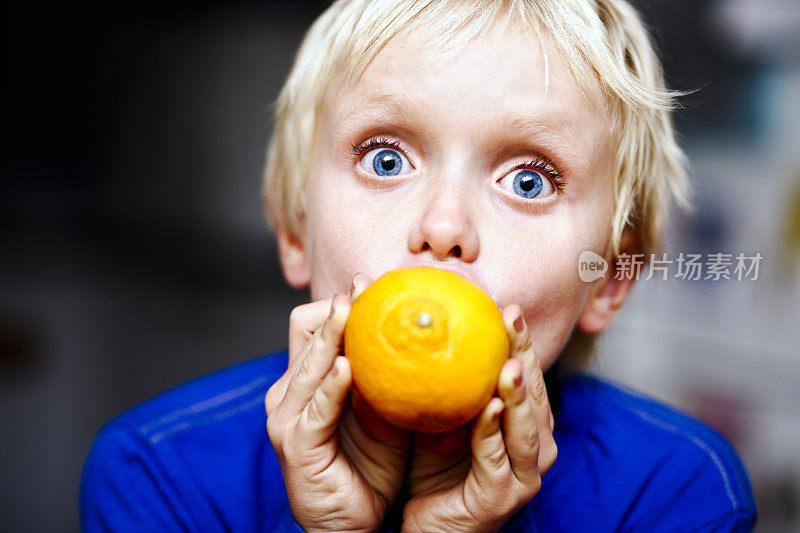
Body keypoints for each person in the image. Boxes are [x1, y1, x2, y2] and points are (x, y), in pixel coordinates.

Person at [80, 0, 757, 531]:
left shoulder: (677, 490)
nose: (442, 227)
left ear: (608, 277)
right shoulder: (157, 470)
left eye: (529, 180)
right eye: (385, 159)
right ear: (295, 229)